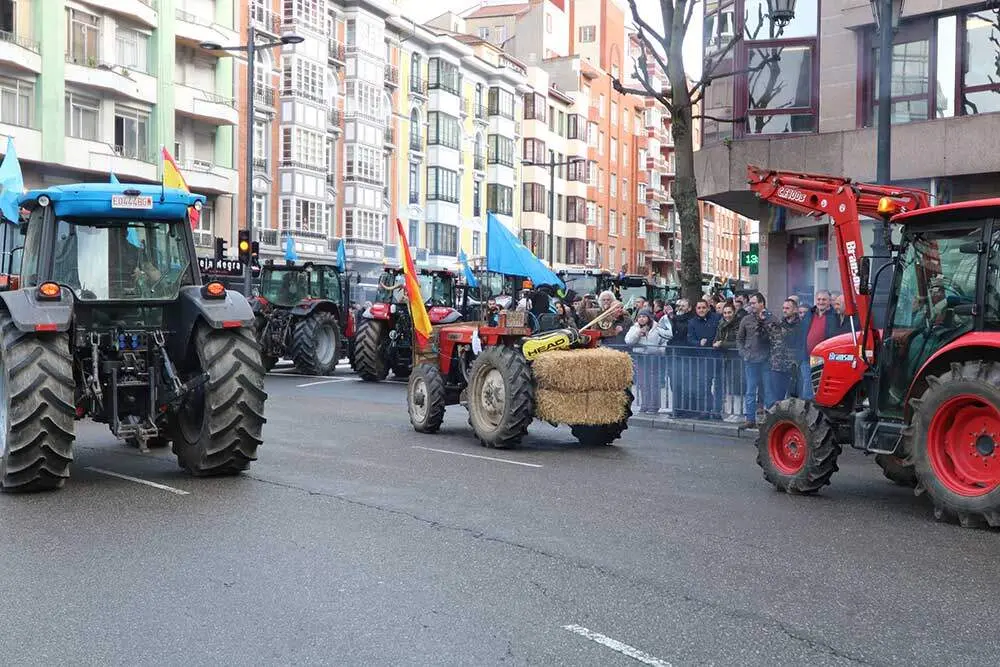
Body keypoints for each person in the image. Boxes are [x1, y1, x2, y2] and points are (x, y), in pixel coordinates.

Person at [736, 292, 773, 429]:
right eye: (750, 303)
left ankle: (769, 420)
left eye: (753, 303)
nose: (751, 306)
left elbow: (776, 337)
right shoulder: (746, 319)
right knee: (750, 391)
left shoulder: (771, 318)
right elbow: (739, 339)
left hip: (766, 360)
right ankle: (750, 419)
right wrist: (743, 353)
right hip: (750, 360)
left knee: (768, 391)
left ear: (761, 303)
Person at [625, 309, 671, 412]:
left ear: (649, 318)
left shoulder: (658, 327)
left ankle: (654, 405)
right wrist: (638, 333)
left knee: (653, 382)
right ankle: (644, 404)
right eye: (640, 317)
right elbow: (628, 341)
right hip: (640, 356)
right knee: (642, 382)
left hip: (654, 357)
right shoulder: (635, 328)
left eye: (644, 316)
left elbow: (665, 341)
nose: (641, 319)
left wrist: (660, 350)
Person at [765, 299, 804, 406]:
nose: (784, 310)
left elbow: (798, 342)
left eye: (787, 308)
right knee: (777, 399)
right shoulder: (778, 324)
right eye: (783, 308)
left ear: (795, 309)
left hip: (793, 367)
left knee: (792, 400)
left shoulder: (801, 326)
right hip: (777, 366)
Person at [713, 302, 743, 421]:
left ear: (734, 312)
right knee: (728, 386)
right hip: (724, 357)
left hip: (736, 358)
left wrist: (722, 344)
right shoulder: (721, 323)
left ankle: (739, 412)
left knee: (737, 386)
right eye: (725, 313)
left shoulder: (739, 324)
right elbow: (717, 337)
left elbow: (739, 342)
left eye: (729, 312)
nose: (727, 315)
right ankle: (731, 411)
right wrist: (716, 343)